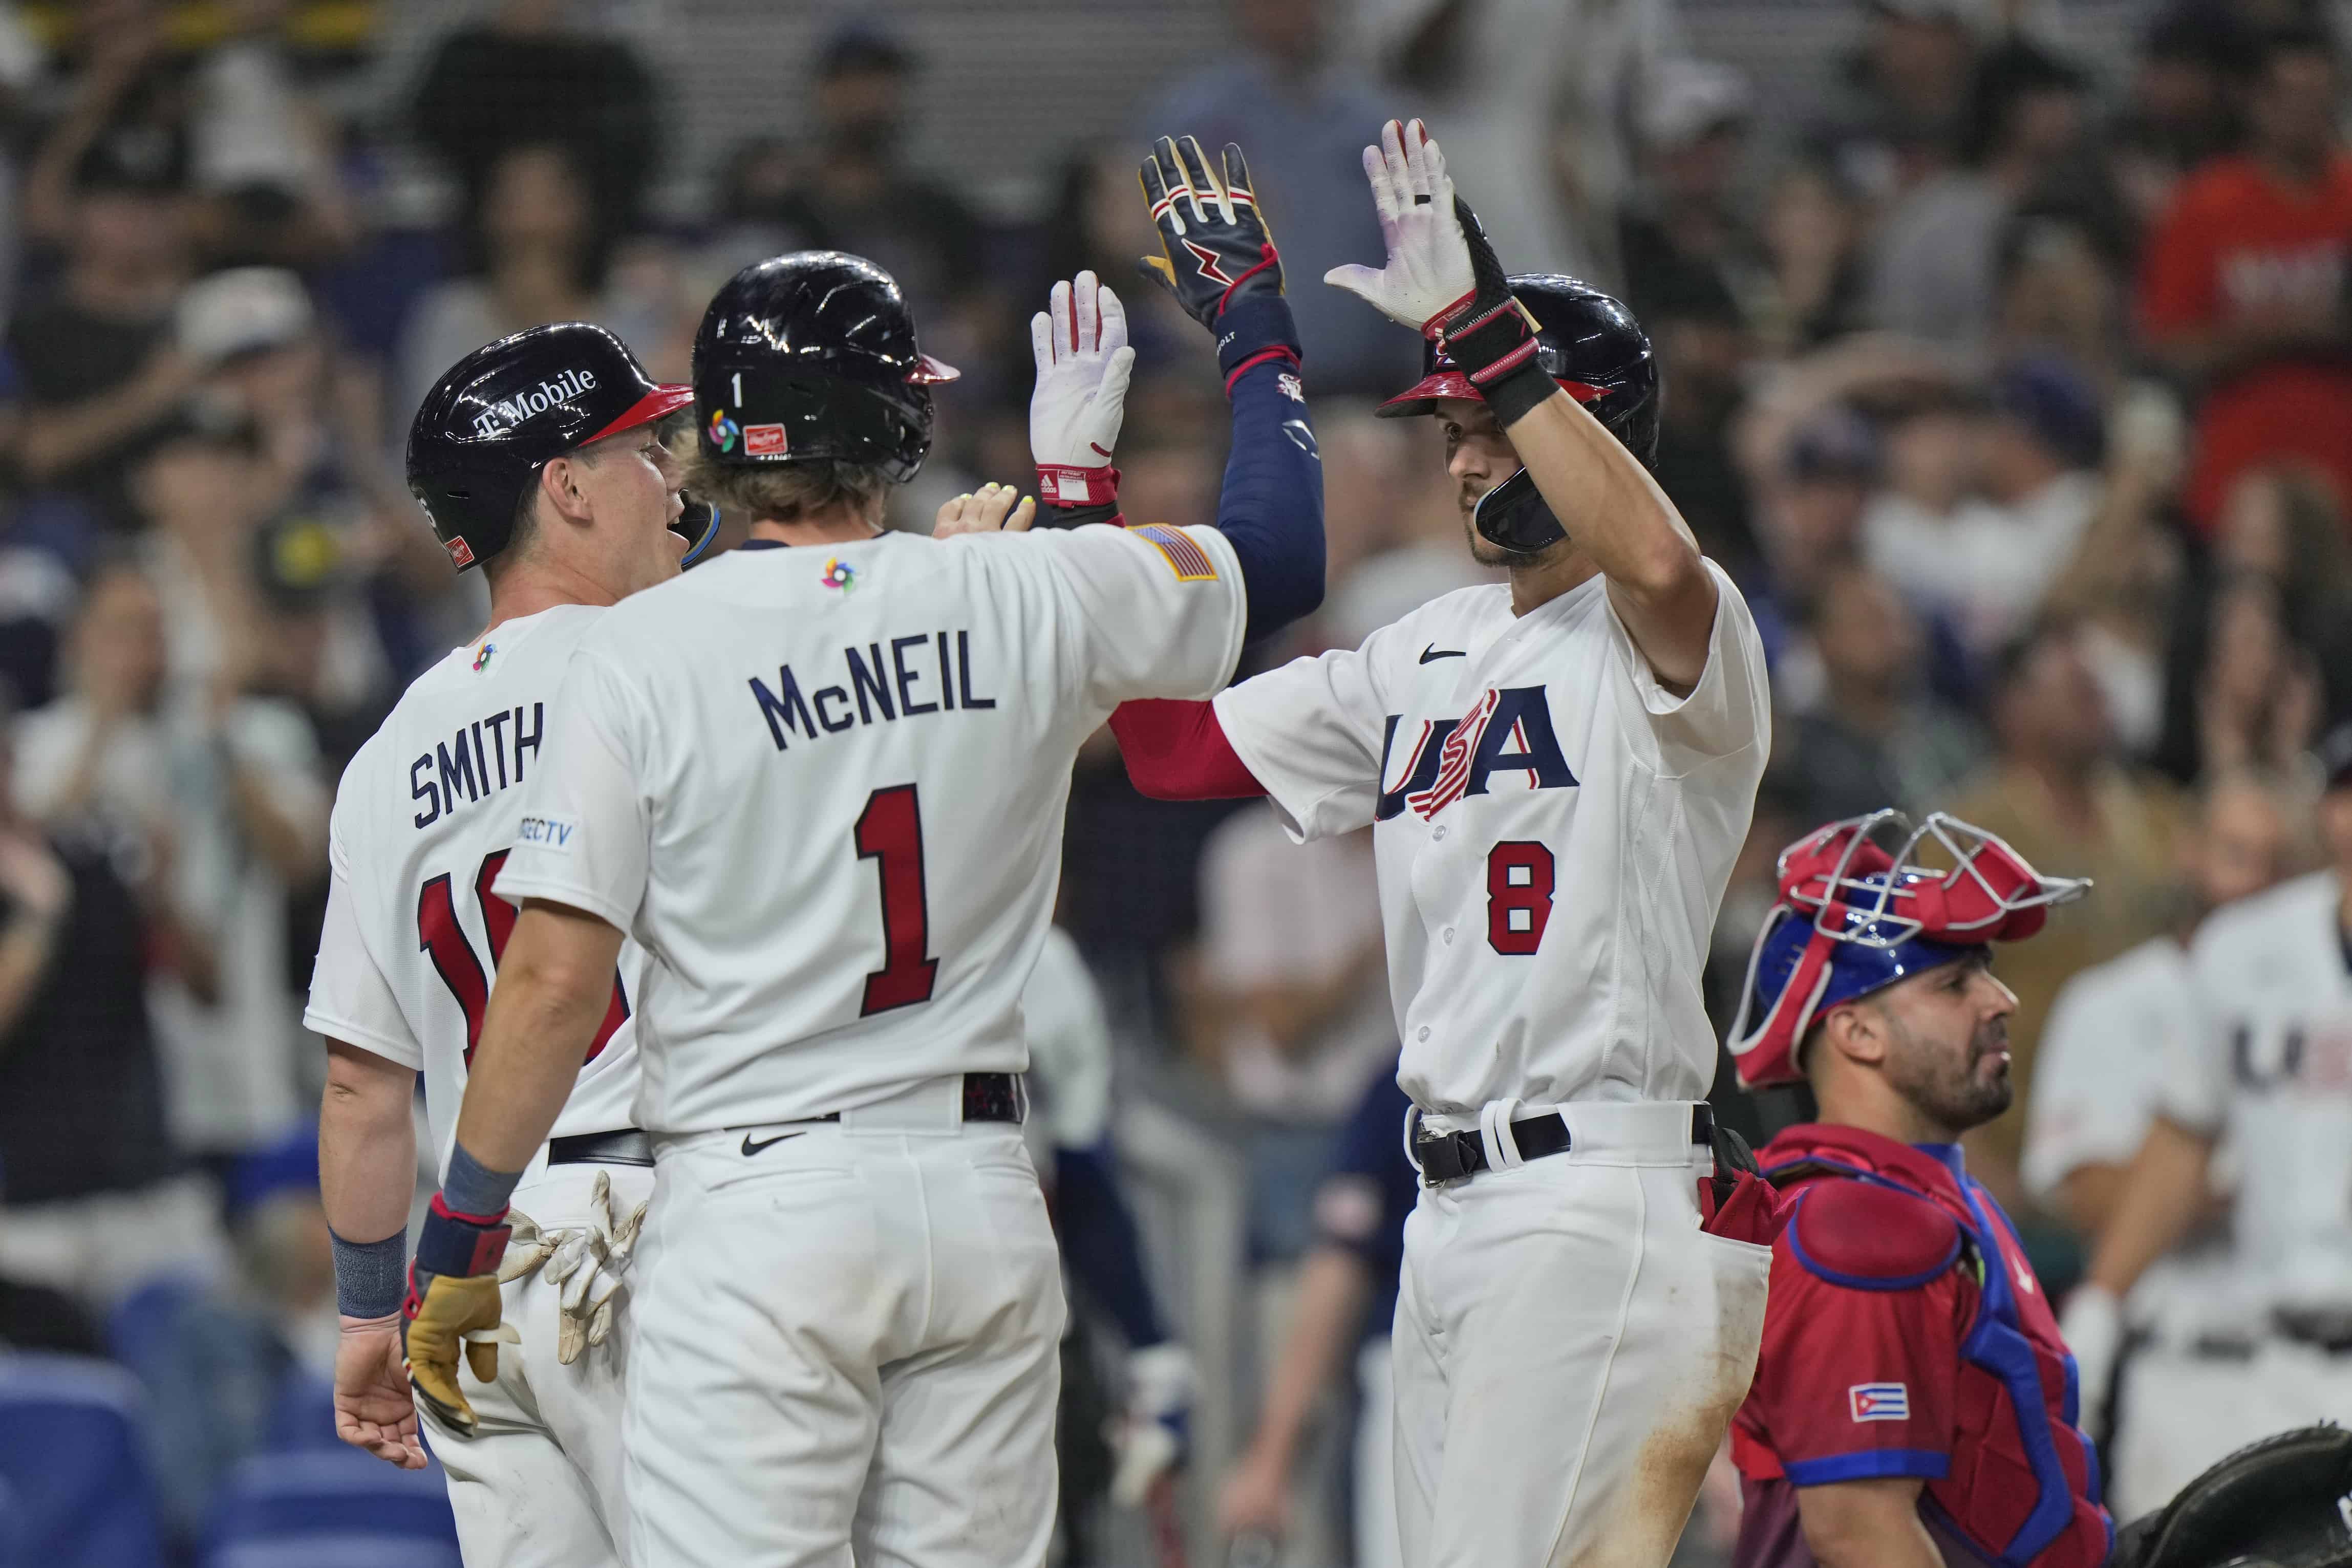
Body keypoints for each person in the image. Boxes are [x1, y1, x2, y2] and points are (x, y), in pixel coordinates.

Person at [402, 132, 1323, 1567]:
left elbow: (548, 983)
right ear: (895, 424)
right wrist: (1255, 328)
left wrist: (461, 1230)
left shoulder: (642, 647)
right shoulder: (1014, 585)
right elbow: (1284, 551)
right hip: (974, 1192)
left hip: (756, 1204)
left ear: (714, 436)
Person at [1111, 120, 1778, 1567]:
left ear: (1577, 420)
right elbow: (1168, 751)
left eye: (1484, 423)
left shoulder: (1677, 630)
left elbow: (1655, 558)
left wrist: (1489, 325)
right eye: (1454, 429)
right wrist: (1123, 471)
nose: (1464, 458)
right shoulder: (1425, 643)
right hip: (1448, 1207)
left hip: (1597, 1199)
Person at [304, 321, 717, 1564]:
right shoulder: (672, 662)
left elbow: (360, 1084)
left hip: (468, 1268)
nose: (678, 484)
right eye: (647, 450)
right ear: (569, 487)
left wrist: (371, 1310)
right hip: (660, 1219)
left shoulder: (386, 757)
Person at [1723, 808, 2113, 1568]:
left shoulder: (1920, 1194)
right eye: (1954, 982)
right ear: (1856, 1033)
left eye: (1986, 970)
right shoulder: (1855, 1228)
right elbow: (1857, 1531)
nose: (1999, 999)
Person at [2064, 722, 2352, 1518]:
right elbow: (2182, 1136)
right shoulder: (2242, 946)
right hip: (2249, 1363)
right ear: (2328, 813)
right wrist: (2099, 1302)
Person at [2023, 772, 2296, 1518]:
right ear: (2190, 855)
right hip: (2187, 1368)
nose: (2258, 880)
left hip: (2318, 1359)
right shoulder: (2114, 999)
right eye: (2237, 853)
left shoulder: (2316, 1000)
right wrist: (2239, 1174)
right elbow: (2085, 1192)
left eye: (2277, 862)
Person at [2139, 23, 2352, 532]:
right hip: (2237, 477)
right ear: (2254, 101)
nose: (2306, 110)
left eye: (2320, 94)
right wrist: (2279, 333)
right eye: (2290, 94)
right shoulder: (2205, 204)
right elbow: (2167, 345)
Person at [1217, 1064, 1416, 1568]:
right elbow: (1339, 1266)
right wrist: (1269, 1461)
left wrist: (1269, 1462)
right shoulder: (1403, 1085)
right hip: (1412, 1372)